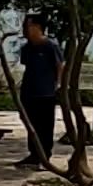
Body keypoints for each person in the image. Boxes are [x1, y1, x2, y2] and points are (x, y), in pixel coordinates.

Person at [13, 14, 63, 168]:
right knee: (31, 124)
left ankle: (44, 156)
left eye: (28, 26)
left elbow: (60, 65)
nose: (26, 30)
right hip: (29, 90)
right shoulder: (27, 48)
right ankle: (33, 154)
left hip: (46, 92)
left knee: (45, 126)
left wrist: (58, 84)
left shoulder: (50, 46)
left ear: (38, 27)